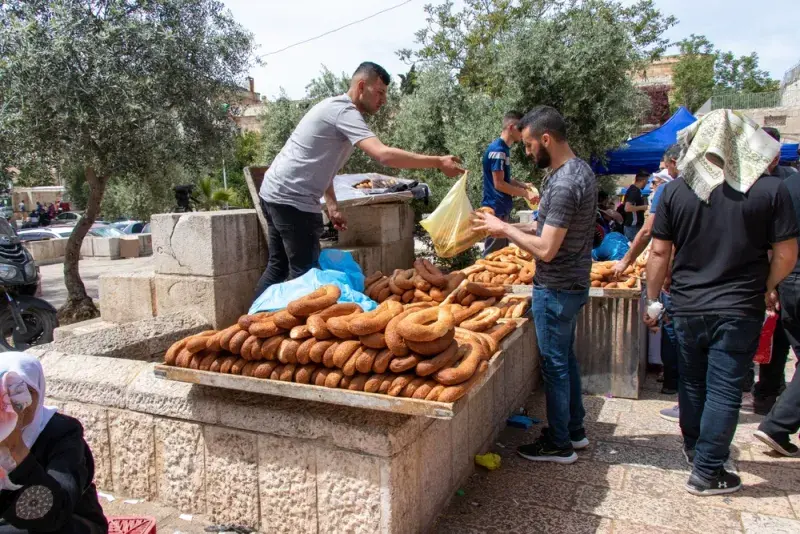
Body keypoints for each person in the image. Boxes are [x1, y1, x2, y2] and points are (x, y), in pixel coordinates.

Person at [645, 114, 798, 496]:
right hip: (738, 307)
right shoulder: (768, 191)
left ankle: (696, 448)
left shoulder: (675, 192)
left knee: (693, 383)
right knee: (725, 390)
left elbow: (660, 252)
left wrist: (651, 302)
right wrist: (768, 285)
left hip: (686, 305)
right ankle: (708, 470)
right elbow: (786, 253)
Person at [254, 62, 463, 299]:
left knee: (278, 267)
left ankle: (252, 320)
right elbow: (383, 155)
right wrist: (437, 162)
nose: (383, 100)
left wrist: (332, 206)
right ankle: (273, 328)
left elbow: (325, 167)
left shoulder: (337, 109)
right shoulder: (345, 111)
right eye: (380, 92)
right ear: (362, 86)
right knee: (306, 277)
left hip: (274, 193)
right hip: (293, 200)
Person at [475, 106, 596, 464]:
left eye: (529, 146)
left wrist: (505, 230)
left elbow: (545, 248)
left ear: (546, 139)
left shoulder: (564, 183)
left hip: (557, 288)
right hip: (573, 284)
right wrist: (501, 225)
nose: (527, 153)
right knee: (566, 359)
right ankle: (574, 430)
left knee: (555, 365)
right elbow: (543, 228)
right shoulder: (580, 172)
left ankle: (559, 444)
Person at [0, 352, 108, 533]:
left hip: (67, 523)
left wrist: (15, 447)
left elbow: (55, 514)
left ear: (39, 392)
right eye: (7, 398)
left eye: (25, 394)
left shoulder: (63, 433)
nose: (19, 408)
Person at [614, 146, 681, 413]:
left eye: (665, 165)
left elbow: (655, 241)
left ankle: (677, 386)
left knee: (675, 330)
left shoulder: (671, 191)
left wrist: (652, 298)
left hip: (681, 277)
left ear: (674, 162)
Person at [742, 126, 799, 415]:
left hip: (781, 276)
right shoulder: (784, 184)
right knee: (776, 341)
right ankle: (770, 399)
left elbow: (776, 247)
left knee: (775, 341)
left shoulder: (769, 187)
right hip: (781, 275)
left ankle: (767, 397)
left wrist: (771, 285)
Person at [754, 167, 800, 457]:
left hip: (788, 278)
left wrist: (771, 283)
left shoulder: (786, 187)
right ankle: (777, 424)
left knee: (782, 340)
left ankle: (766, 394)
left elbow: (772, 241)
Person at [480, 111, 538, 256]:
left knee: (500, 254)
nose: (523, 133)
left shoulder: (503, 149)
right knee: (492, 256)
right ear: (511, 127)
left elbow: (504, 179)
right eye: (521, 129)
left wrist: (521, 184)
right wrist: (525, 194)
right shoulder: (498, 150)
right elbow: (499, 184)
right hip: (495, 209)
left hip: (501, 208)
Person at [622, 171, 649, 242]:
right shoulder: (634, 191)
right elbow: (627, 208)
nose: (647, 184)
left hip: (633, 227)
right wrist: (643, 207)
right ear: (644, 180)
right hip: (632, 227)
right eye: (647, 181)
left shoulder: (635, 190)